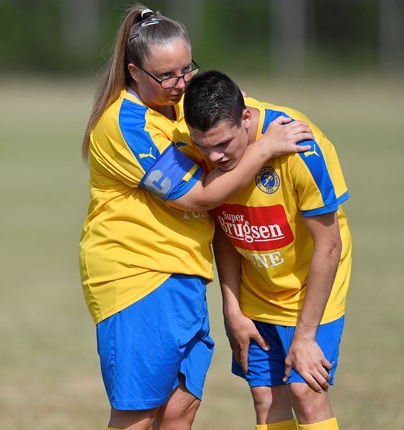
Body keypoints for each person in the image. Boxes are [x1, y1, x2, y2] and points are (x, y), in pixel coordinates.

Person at [79, 5, 313, 430]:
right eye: (166, 76)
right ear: (134, 72)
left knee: (180, 407)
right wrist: (263, 149)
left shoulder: (183, 109)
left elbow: (238, 113)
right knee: (138, 414)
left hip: (185, 275)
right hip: (137, 276)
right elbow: (195, 197)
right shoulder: (124, 123)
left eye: (187, 69)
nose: (181, 83)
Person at [184, 70, 352, 430]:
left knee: (306, 392)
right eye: (203, 145)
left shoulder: (300, 145)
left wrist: (305, 337)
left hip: (311, 290)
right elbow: (227, 228)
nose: (214, 157)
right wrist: (233, 309)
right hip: (257, 292)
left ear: (246, 118)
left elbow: (329, 244)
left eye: (224, 144)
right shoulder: (197, 146)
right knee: (265, 398)